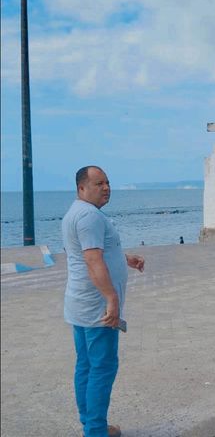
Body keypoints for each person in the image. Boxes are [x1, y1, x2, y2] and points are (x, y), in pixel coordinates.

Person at [62, 166, 145, 437]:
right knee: (102, 367)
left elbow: (88, 252)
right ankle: (96, 430)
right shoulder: (89, 216)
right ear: (82, 188)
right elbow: (92, 260)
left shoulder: (77, 212)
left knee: (87, 364)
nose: (106, 188)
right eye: (99, 184)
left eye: (107, 182)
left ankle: (92, 424)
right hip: (96, 307)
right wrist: (112, 298)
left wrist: (125, 259)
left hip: (80, 304)